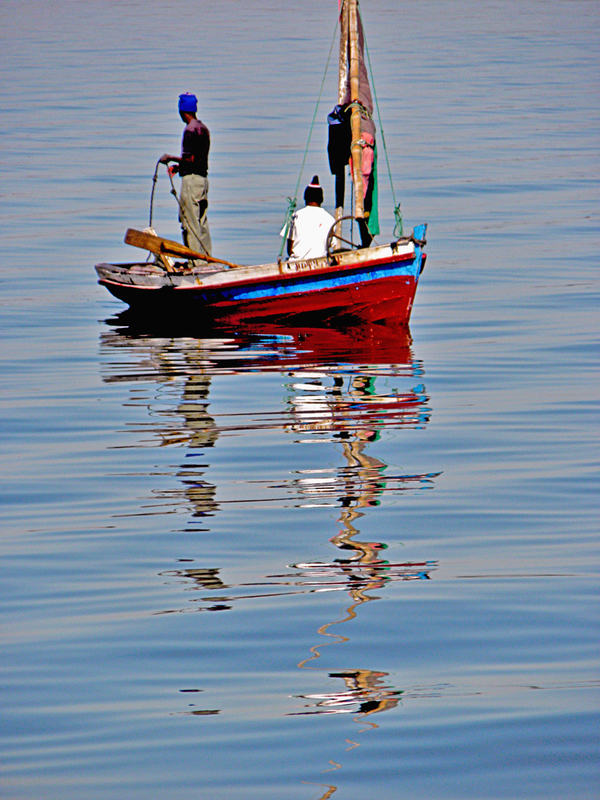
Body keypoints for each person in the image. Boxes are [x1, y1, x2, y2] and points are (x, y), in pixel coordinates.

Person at [160, 92, 212, 257]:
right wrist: (178, 167)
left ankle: (195, 261)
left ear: (182, 111)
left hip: (191, 182)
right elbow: (196, 160)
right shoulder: (203, 129)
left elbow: (189, 159)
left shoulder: (190, 130)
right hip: (203, 181)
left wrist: (170, 158)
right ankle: (206, 259)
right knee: (201, 222)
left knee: (189, 222)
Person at [284, 176, 336, 260]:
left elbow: (289, 250)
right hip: (321, 264)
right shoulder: (330, 220)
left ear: (305, 198)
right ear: (322, 199)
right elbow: (330, 246)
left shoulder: (295, 216)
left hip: (297, 265)